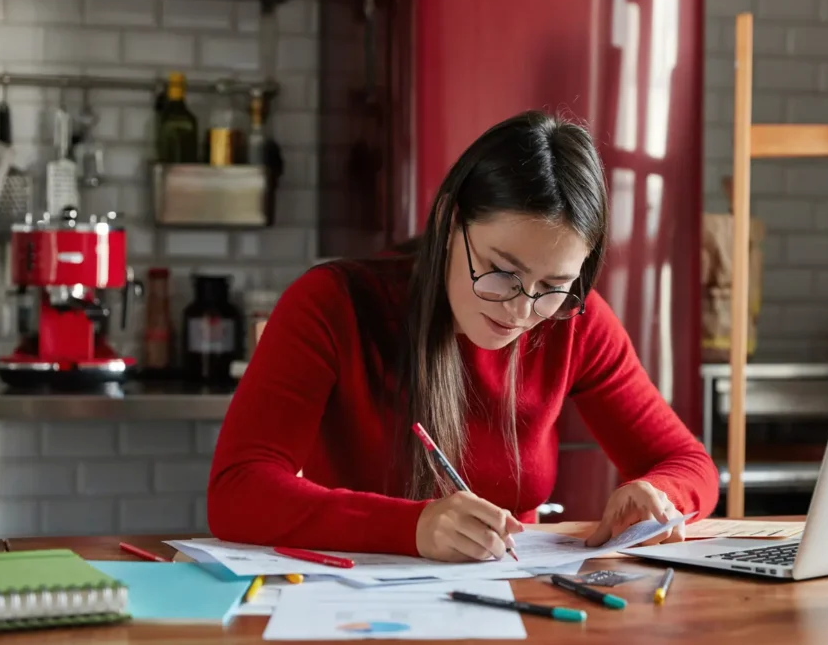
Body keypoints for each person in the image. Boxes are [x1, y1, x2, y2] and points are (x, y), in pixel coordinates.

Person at [208, 111, 719, 563]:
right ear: (453, 221)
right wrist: (411, 527)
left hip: (520, 600)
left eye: (555, 285)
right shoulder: (331, 303)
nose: (522, 309)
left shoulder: (572, 321)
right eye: (501, 270)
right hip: (348, 608)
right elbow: (237, 491)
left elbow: (690, 465)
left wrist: (658, 493)